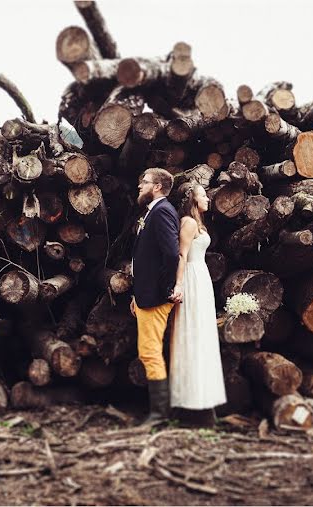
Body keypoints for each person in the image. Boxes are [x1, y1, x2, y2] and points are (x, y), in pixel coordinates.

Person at [168, 184, 226, 425]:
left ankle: (203, 399)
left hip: (201, 279)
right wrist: (179, 285)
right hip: (191, 278)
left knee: (203, 336)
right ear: (192, 200)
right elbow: (181, 255)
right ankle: (189, 404)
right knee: (190, 335)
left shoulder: (198, 222)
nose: (207, 198)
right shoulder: (189, 223)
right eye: (203, 195)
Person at [130, 168, 180, 426]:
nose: (140, 186)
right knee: (149, 350)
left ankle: (160, 415)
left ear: (158, 187)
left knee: (150, 352)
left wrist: (163, 290)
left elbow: (172, 254)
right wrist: (137, 293)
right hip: (145, 295)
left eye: (145, 181)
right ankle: (161, 412)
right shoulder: (154, 211)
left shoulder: (162, 212)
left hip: (156, 296)